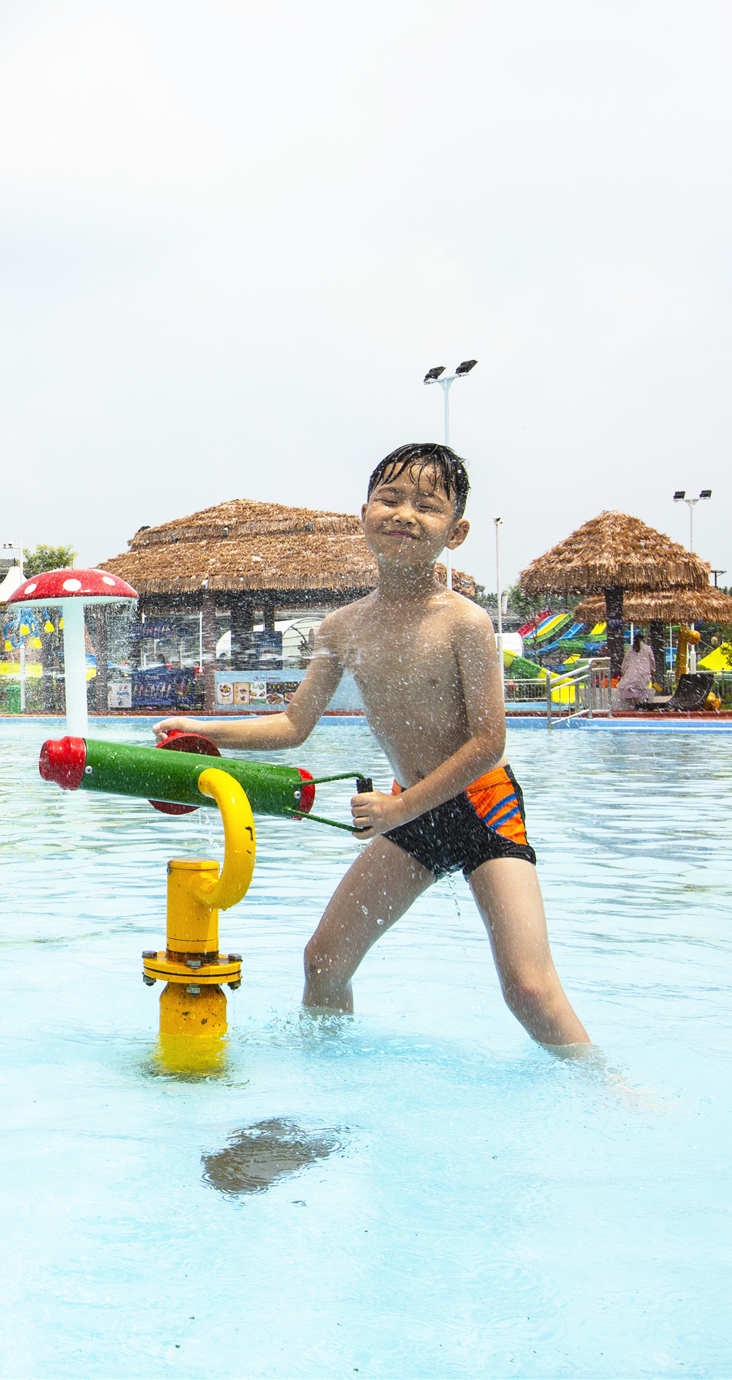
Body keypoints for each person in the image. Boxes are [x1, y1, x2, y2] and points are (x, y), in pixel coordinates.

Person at [156, 442, 590, 1050]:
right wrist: (203, 733)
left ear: (456, 532)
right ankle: (332, 1079)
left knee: (529, 988)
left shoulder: (463, 622)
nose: (404, 514)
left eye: (427, 505)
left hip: (482, 805)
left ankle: (606, 1089)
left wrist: (397, 811)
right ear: (363, 514)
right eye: (389, 498)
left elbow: (489, 742)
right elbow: (292, 725)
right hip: (408, 810)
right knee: (324, 962)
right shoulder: (343, 626)